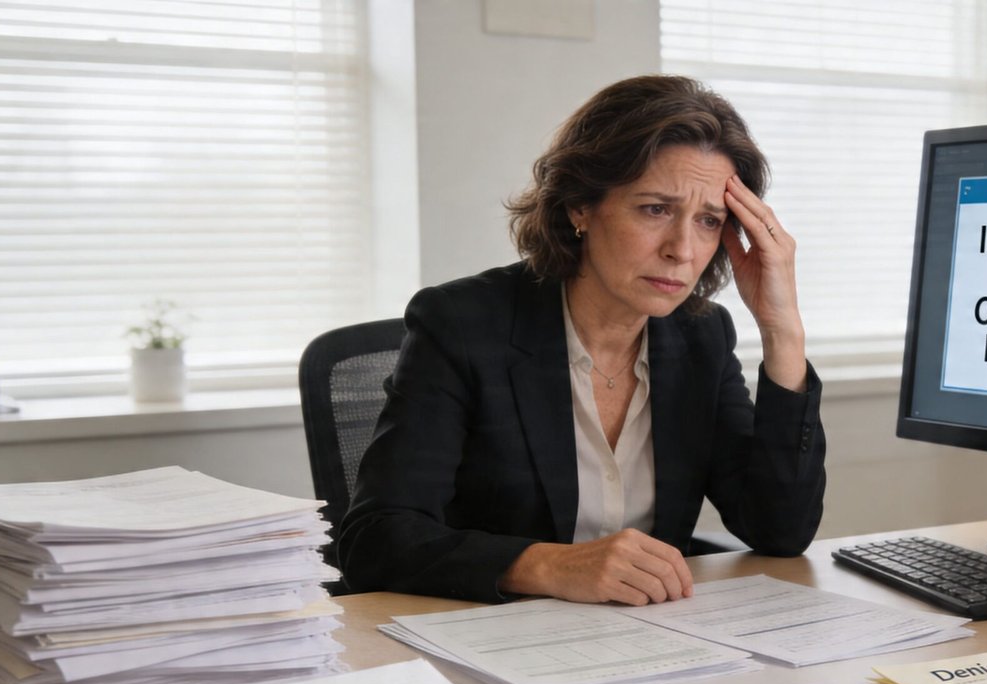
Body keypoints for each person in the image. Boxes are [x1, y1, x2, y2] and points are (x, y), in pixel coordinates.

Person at [337, 75, 826, 605]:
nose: (682, 249)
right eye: (655, 209)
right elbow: (375, 539)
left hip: (652, 644)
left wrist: (782, 330)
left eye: (709, 221)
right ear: (580, 207)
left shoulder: (699, 338)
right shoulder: (462, 324)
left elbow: (780, 530)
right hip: (491, 637)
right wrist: (547, 565)